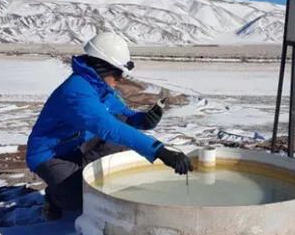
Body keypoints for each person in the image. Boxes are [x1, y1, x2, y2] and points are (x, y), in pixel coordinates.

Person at [26, 32, 193, 219]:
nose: (121, 78)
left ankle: (82, 177)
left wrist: (142, 120)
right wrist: (158, 151)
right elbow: (108, 128)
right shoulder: (77, 93)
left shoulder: (102, 88)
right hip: (51, 154)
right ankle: (55, 197)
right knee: (76, 199)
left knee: (119, 128)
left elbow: (124, 115)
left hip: (80, 143)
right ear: (102, 67)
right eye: (118, 73)